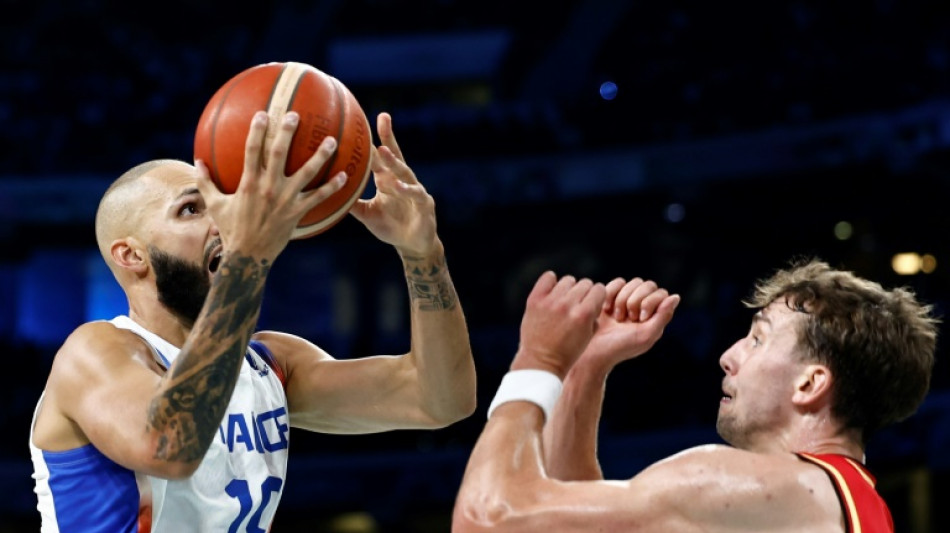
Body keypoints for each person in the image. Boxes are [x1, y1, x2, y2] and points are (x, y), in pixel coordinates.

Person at [29, 109, 477, 532]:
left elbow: (439, 400)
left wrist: (423, 255)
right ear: (131, 256)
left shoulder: (270, 364)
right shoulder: (95, 352)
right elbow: (168, 447)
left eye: (222, 203)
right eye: (191, 209)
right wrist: (249, 255)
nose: (225, 221)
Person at [452, 260, 938, 532]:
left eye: (758, 339)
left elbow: (485, 521)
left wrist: (538, 359)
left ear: (809, 384)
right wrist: (585, 370)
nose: (729, 356)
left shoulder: (747, 484)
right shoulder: (848, 502)